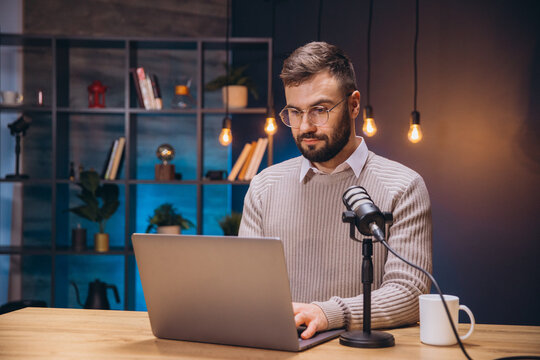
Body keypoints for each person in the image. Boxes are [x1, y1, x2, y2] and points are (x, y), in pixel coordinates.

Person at [238, 41, 432, 340]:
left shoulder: (403, 185)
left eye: (319, 110)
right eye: (295, 112)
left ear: (353, 104)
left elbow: (408, 294)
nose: (305, 126)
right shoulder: (265, 185)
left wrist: (326, 314)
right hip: (282, 348)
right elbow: (247, 285)